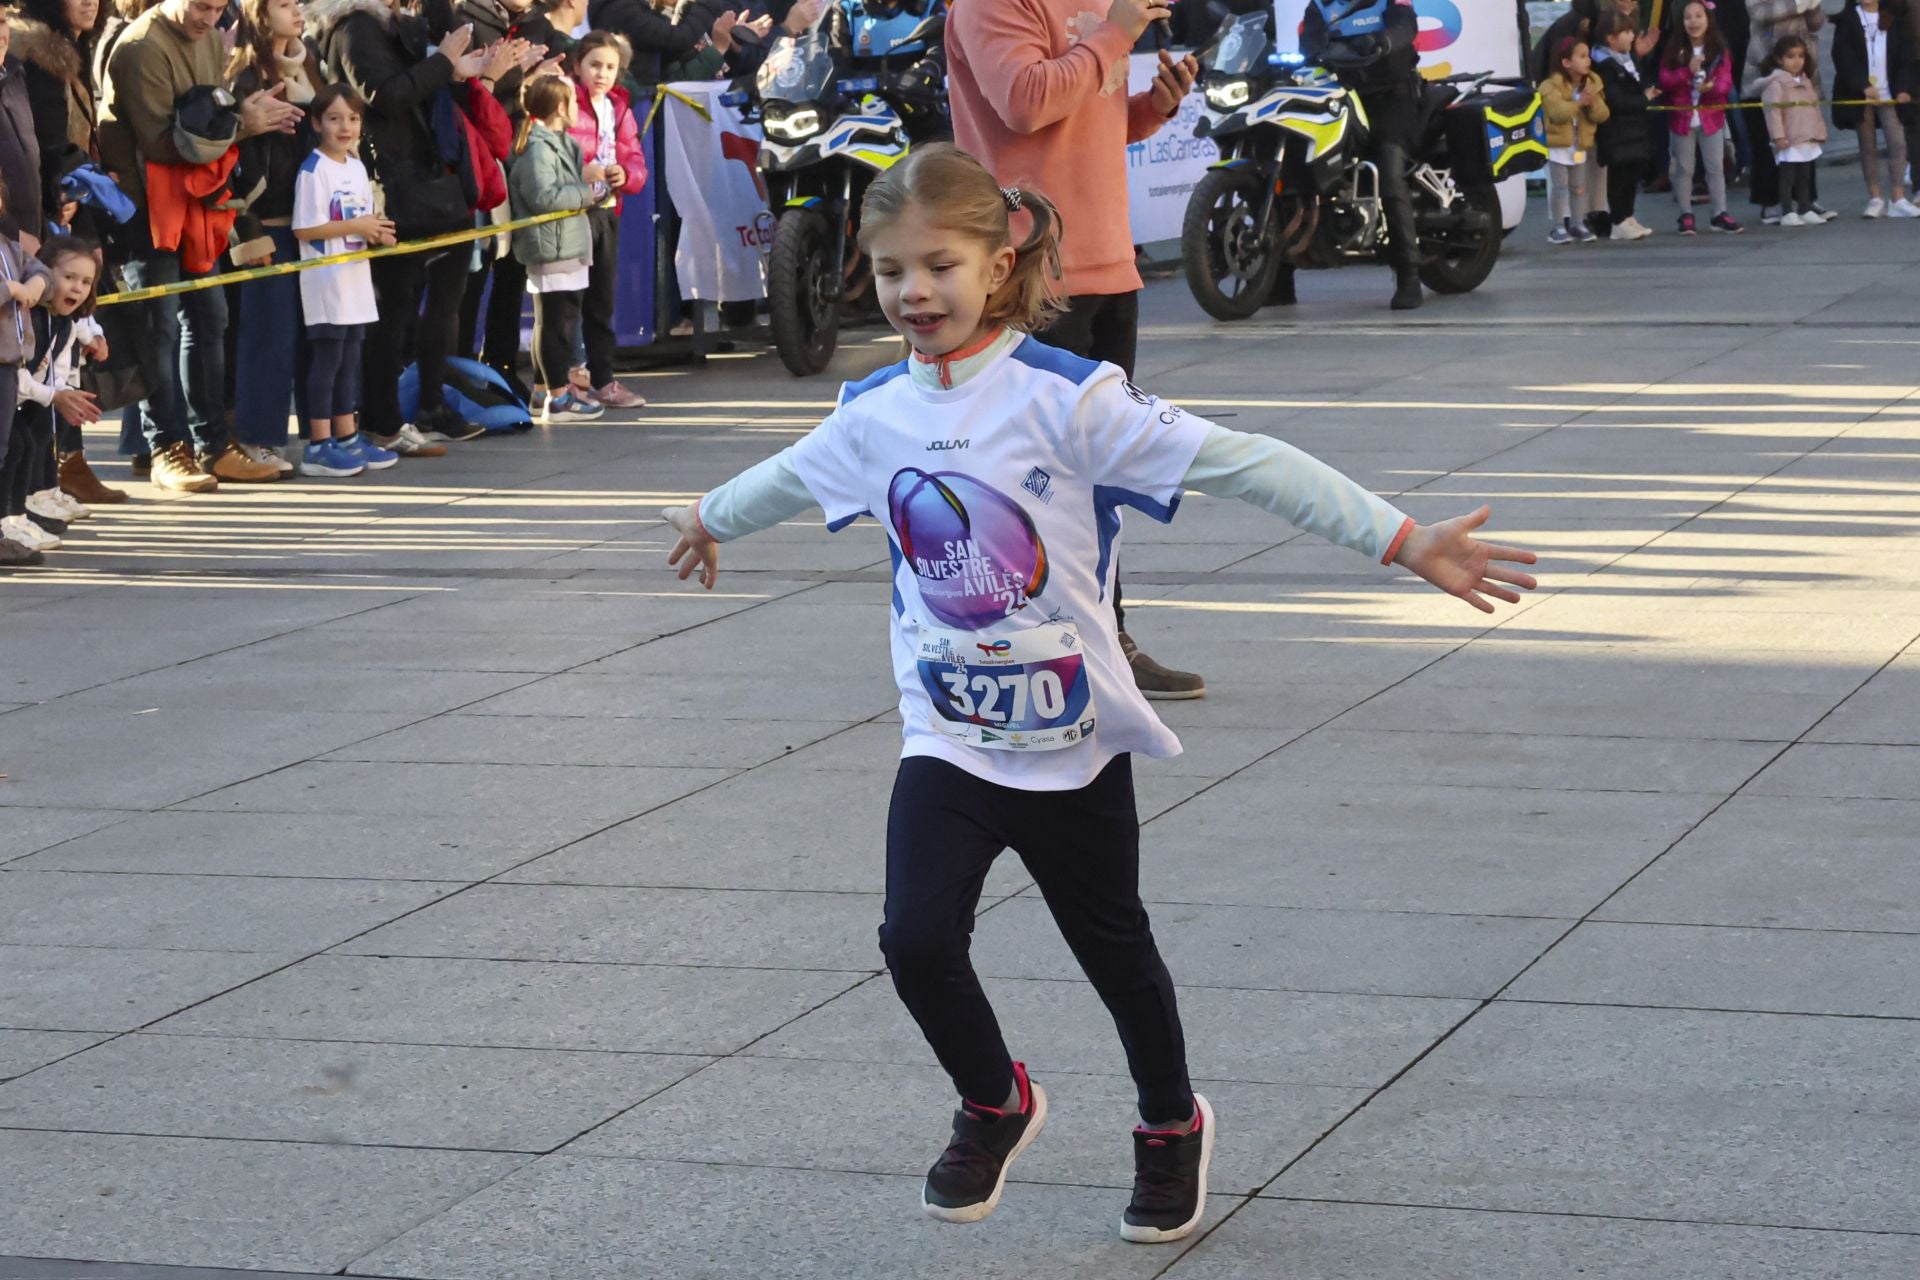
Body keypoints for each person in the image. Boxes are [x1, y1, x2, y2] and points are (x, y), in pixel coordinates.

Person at [660, 144, 1538, 1243]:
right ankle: (996, 1100)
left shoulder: (1070, 400)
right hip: (948, 737)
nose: (913, 292)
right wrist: (707, 516)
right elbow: (792, 473)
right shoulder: (874, 409)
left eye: (939, 264)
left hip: (1070, 741)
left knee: (1113, 947)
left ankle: (1170, 1122)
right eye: (890, 272)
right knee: (915, 938)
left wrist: (1403, 539)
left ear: (999, 258)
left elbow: (1248, 461)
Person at [947, 0, 1206, 702]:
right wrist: (1117, 31)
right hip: (1033, 271)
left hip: (1107, 261)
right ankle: (1027, 641)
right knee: (1032, 475)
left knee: (1099, 469)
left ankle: (1102, 636)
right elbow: (1025, 105)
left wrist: (1152, 108)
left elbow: (1086, 120)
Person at [97, 0, 303, 491]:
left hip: (196, 201)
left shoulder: (210, 37)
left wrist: (234, 119)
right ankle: (166, 447)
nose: (209, 18)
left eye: (217, 7)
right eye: (199, 6)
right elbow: (166, 143)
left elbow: (210, 117)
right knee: (158, 327)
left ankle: (211, 444)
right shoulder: (141, 46)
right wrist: (241, 123)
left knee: (210, 317)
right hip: (147, 206)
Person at [309, 0, 495, 444]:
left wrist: (455, 69)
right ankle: (383, 419)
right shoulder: (353, 26)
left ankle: (426, 405)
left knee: (437, 303)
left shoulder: (397, 21)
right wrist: (444, 62)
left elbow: (422, 88)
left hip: (433, 181)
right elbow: (385, 95)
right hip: (392, 186)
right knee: (393, 311)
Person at [226, 0, 320, 475]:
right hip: (264, 221)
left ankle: (320, 433)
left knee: (307, 337)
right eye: (284, 4)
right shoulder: (243, 70)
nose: (297, 10)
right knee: (268, 337)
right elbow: (227, 160)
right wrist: (249, 228)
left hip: (311, 223)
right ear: (259, 13)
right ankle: (256, 437)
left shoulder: (310, 63)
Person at [293, 85, 402, 477]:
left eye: (353, 118)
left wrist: (376, 233)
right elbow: (305, 229)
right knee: (328, 361)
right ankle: (318, 445)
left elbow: (362, 219)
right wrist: (356, 225)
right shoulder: (314, 170)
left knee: (351, 360)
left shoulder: (355, 165)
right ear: (317, 122)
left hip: (356, 279)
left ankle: (347, 435)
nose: (345, 126)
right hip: (326, 281)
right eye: (335, 118)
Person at [1300, 0, 1427, 311]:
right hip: (1342, 97)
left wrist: (1382, 41)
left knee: (1388, 166)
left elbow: (1405, 26)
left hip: (1391, 96)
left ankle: (1409, 273)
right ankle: (1276, 281)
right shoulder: (1319, 6)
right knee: (1300, 163)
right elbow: (1309, 41)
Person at [509, 72, 604, 423]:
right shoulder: (537, 148)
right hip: (551, 245)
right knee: (554, 322)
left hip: (568, 241)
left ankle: (541, 390)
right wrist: (586, 192)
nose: (578, 106)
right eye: (574, 101)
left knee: (559, 318)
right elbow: (542, 197)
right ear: (560, 106)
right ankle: (558, 396)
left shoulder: (559, 142)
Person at [565, 31, 646, 407]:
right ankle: (564, 383)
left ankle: (604, 380)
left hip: (608, 211)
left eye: (610, 67)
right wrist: (584, 170)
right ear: (578, 66)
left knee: (601, 301)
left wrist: (624, 176)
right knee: (567, 302)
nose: (602, 73)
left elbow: (634, 158)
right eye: (595, 64)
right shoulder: (567, 101)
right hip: (571, 213)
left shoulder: (620, 108)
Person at [7, 240, 101, 556]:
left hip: (19, 392)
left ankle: (19, 512)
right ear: (46, 276)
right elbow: (14, 377)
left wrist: (61, 394)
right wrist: (54, 395)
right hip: (9, 389)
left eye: (86, 282)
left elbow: (54, 367)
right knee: (18, 443)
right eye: (69, 277)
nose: (77, 287)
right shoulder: (30, 316)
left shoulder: (62, 320)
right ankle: (12, 515)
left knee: (32, 437)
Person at [1658, 0, 1740, 235]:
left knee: (1715, 167)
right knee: (1684, 167)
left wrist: (1712, 88)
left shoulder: (1718, 48)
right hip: (1682, 116)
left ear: (1708, 19)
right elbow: (1665, 79)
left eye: (1698, 16)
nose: (1693, 22)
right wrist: (1686, 72)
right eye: (1688, 17)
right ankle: (1685, 213)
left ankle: (1719, 212)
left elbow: (1726, 81)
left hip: (1710, 115)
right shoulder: (1674, 48)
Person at [1833, 0, 1920, 217]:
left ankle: (1898, 197)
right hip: (1861, 93)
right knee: (1867, 144)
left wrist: (1903, 88)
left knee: (1897, 142)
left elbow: (1905, 57)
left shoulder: (1894, 19)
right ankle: (1875, 197)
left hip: (1889, 91)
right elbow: (1843, 56)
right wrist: (1862, 85)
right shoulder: (1848, 20)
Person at [0, 191, 50, 564]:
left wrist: (34, 284)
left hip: (7, 363)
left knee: (6, 448)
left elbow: (39, 269)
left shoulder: (8, 248)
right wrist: (10, 289)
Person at [1744, 0, 1825, 223]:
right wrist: (1799, 3)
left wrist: (1814, 4)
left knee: (1805, 140)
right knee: (1768, 144)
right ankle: (1770, 202)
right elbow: (1759, 11)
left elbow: (1816, 23)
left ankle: (1806, 200)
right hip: (1766, 71)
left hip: (1802, 76)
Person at [1593, 10, 1656, 238]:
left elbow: (1639, 80)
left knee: (1633, 171)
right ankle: (1618, 219)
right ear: (1610, 38)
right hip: (1617, 129)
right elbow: (1615, 100)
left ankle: (1629, 215)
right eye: (1626, 32)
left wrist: (1647, 91)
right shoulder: (1605, 64)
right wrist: (1643, 99)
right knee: (1619, 174)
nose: (1632, 36)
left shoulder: (1629, 59)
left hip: (1635, 126)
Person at [1542, 37, 1611, 243]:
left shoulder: (1591, 83)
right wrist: (1579, 103)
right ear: (1566, 63)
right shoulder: (1550, 86)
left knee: (1579, 187)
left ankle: (1578, 224)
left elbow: (1603, 114)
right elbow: (1557, 112)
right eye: (1581, 56)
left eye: (1587, 56)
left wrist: (1591, 104)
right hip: (1557, 146)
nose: (1587, 60)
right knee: (1560, 187)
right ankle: (1557, 227)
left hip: (1579, 143)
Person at [1757, 33, 1827, 225]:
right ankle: (1787, 211)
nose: (1797, 61)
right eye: (1791, 56)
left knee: (1805, 176)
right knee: (1787, 178)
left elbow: (1814, 109)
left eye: (1800, 56)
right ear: (1780, 59)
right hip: (1788, 138)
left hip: (1806, 137)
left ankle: (1805, 208)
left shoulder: (1806, 81)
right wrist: (1778, 136)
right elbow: (1773, 113)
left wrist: (1819, 132)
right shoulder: (1776, 84)